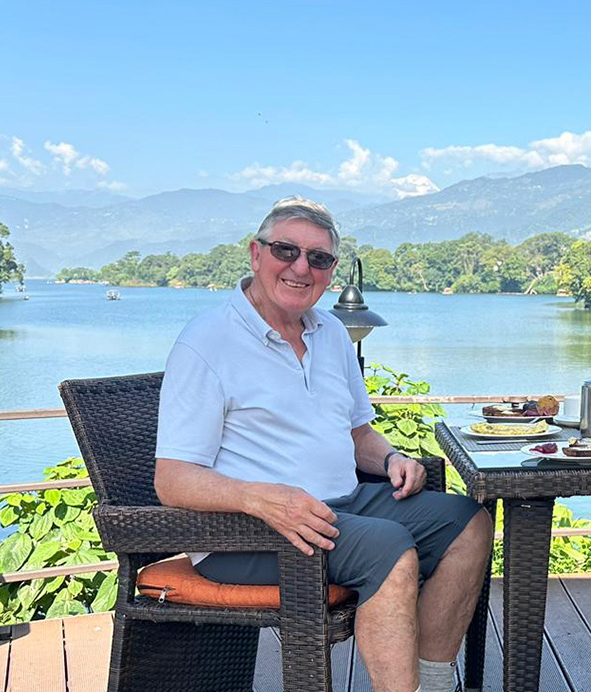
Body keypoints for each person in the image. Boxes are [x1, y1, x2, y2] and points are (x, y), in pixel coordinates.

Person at [154, 196, 493, 692]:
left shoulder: (331, 331)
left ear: (331, 270)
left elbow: (357, 434)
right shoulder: (207, 341)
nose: (300, 268)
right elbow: (173, 479)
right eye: (286, 251)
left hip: (341, 504)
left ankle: (432, 680)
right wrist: (260, 498)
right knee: (389, 547)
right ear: (255, 254)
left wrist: (393, 458)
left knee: (468, 522)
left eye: (318, 258)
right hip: (248, 532)